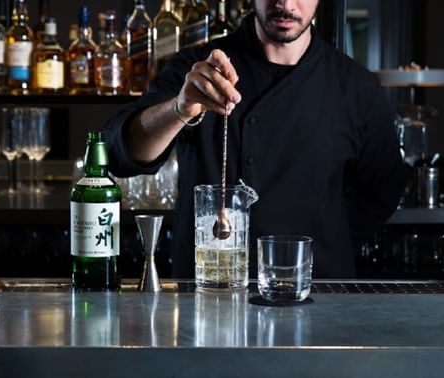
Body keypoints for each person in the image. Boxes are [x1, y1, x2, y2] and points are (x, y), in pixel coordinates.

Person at [103, 0, 406, 278]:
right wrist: (179, 109)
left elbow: (383, 191)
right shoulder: (199, 68)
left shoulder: (355, 86)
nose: (285, 4)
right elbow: (119, 153)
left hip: (317, 291)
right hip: (211, 288)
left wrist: (325, 237)